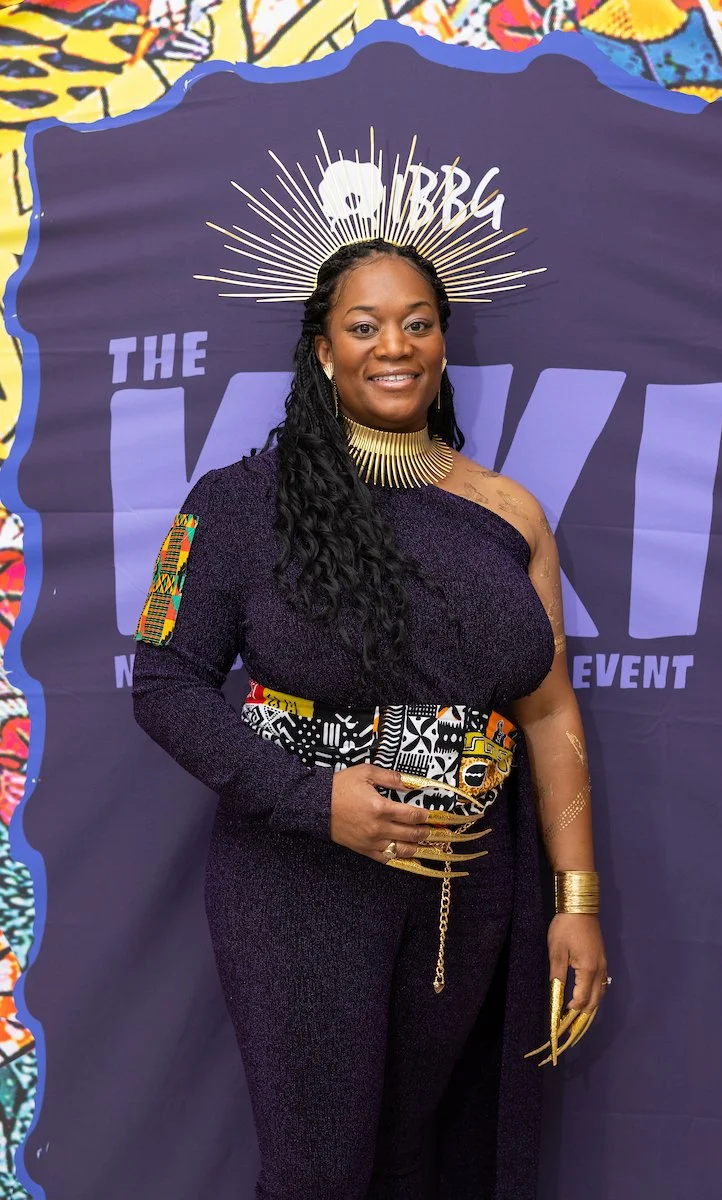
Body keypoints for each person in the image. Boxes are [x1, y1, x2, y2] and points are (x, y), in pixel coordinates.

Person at [132, 237, 608, 1199]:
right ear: (322, 351)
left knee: (409, 1166)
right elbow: (163, 681)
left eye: (418, 323)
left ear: (442, 343)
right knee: (318, 1175)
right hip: (302, 874)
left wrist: (576, 901)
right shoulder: (240, 503)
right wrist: (316, 802)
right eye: (364, 325)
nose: (394, 345)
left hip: (462, 887)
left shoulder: (509, 511)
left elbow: (549, 707)